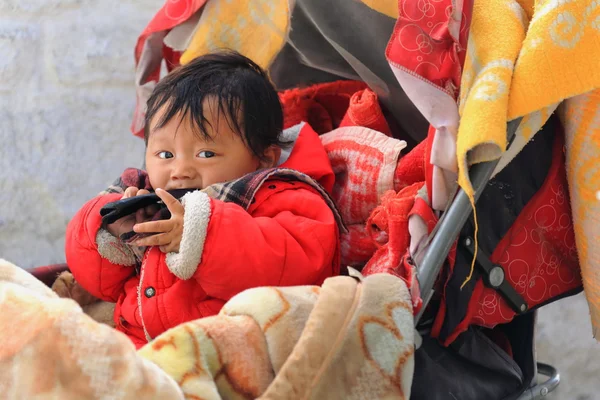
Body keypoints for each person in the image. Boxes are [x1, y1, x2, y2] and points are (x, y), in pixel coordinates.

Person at [65, 51, 341, 348]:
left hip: (224, 353)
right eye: (165, 155)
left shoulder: (275, 193)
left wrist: (200, 234)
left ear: (263, 158)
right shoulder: (141, 193)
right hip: (138, 347)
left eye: (205, 154)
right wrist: (108, 232)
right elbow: (98, 283)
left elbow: (302, 267)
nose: (180, 171)